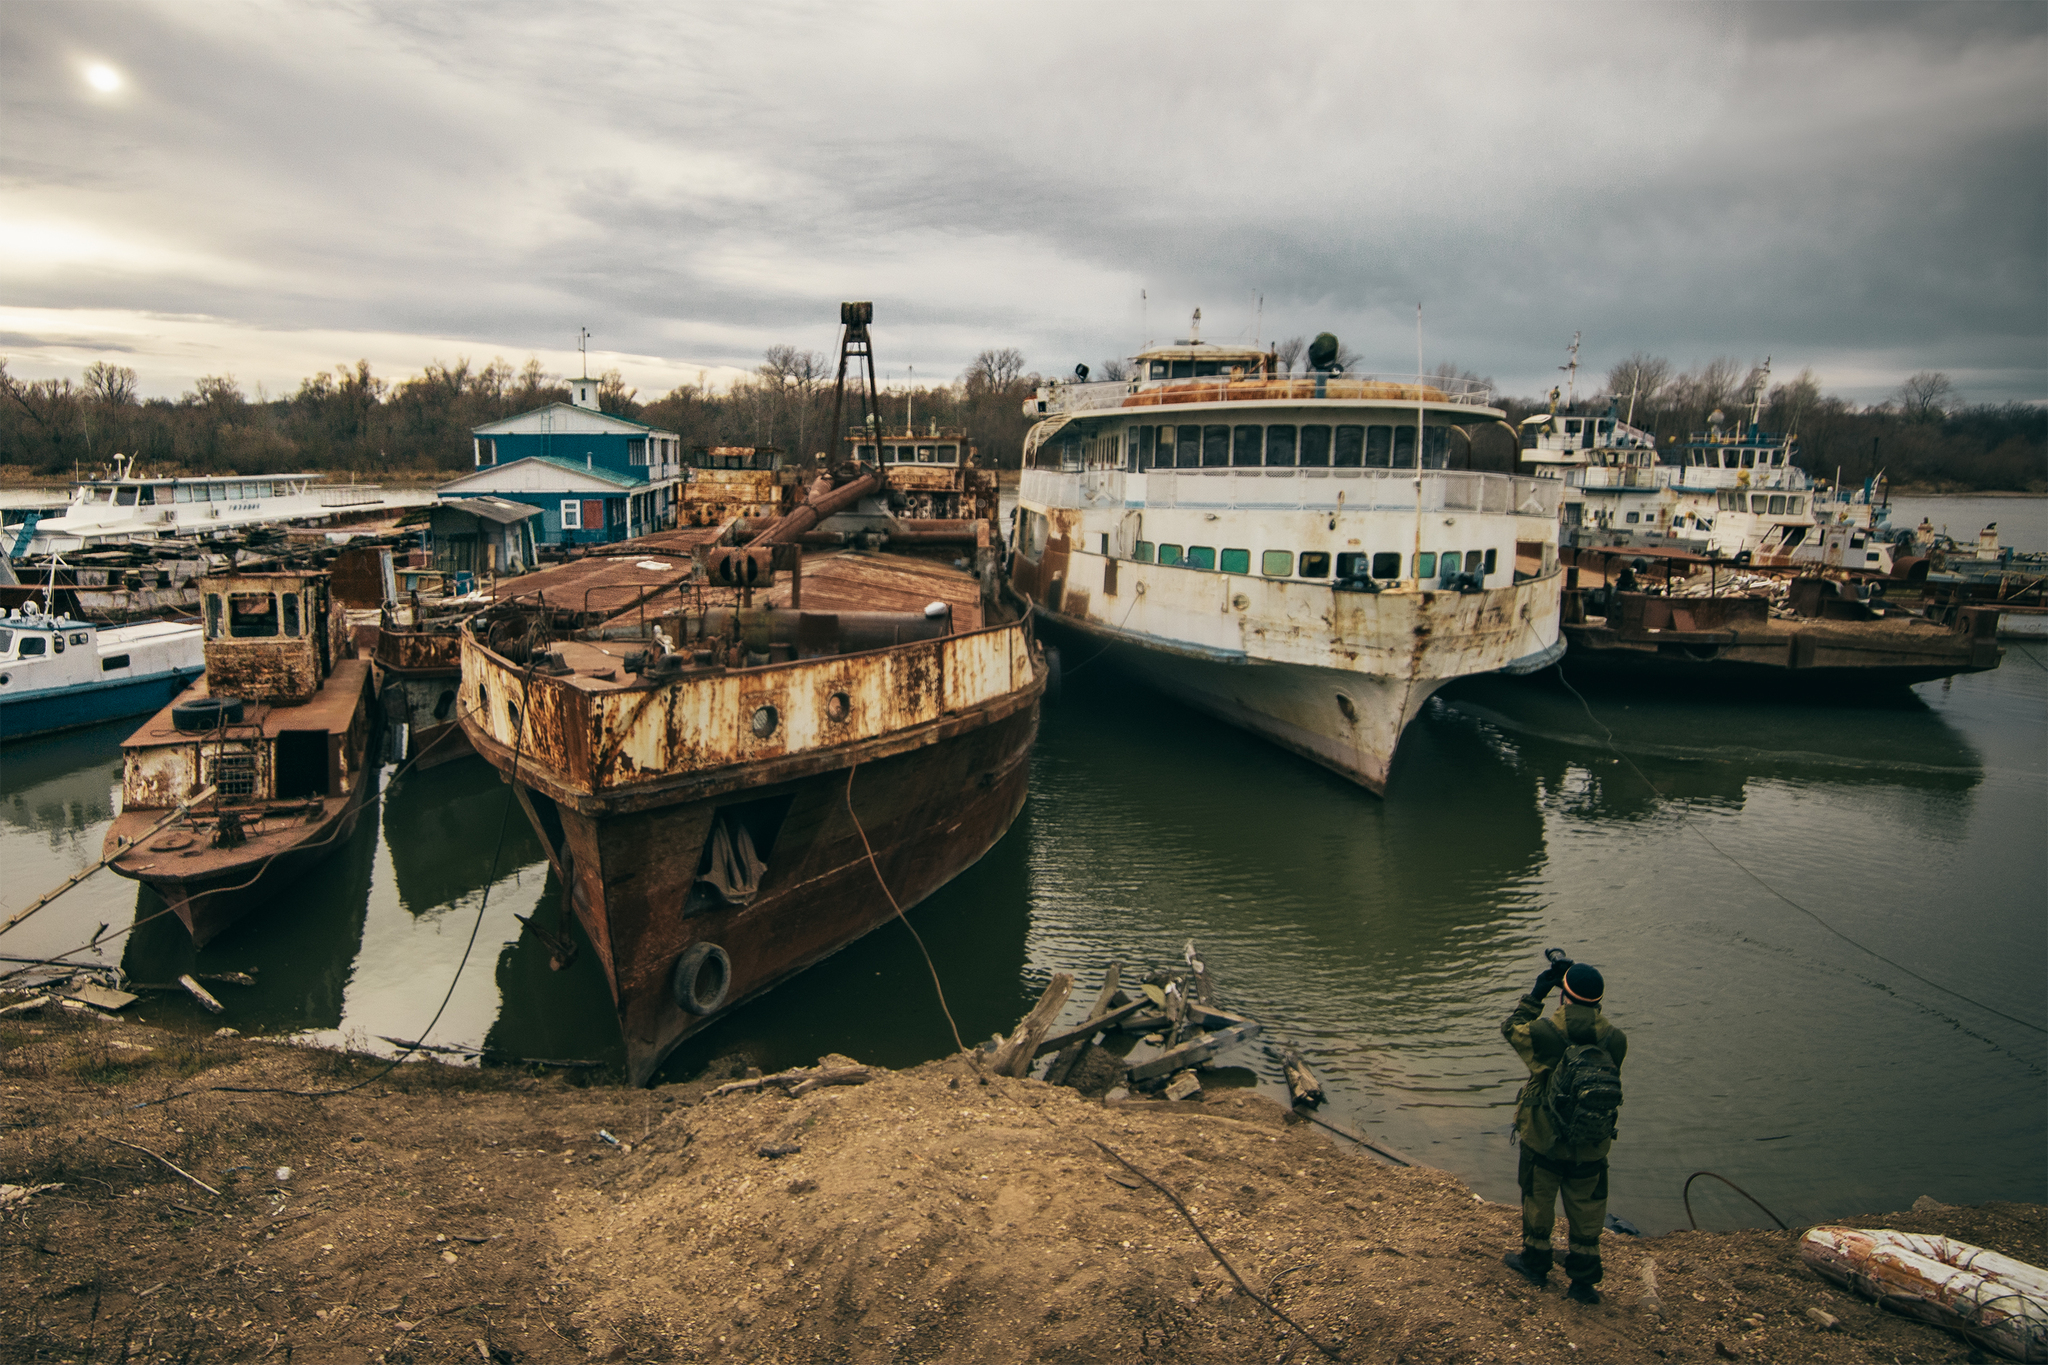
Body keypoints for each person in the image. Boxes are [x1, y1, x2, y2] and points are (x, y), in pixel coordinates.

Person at [1500, 960, 1628, 1304]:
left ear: (1563, 997)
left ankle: (1536, 1265)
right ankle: (1583, 1283)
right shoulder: (1617, 1040)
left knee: (1538, 1200)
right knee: (1588, 1208)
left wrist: (1538, 992)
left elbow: (1511, 1028)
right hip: (1592, 1141)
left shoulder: (1544, 1034)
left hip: (1544, 1138)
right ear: (1598, 1001)